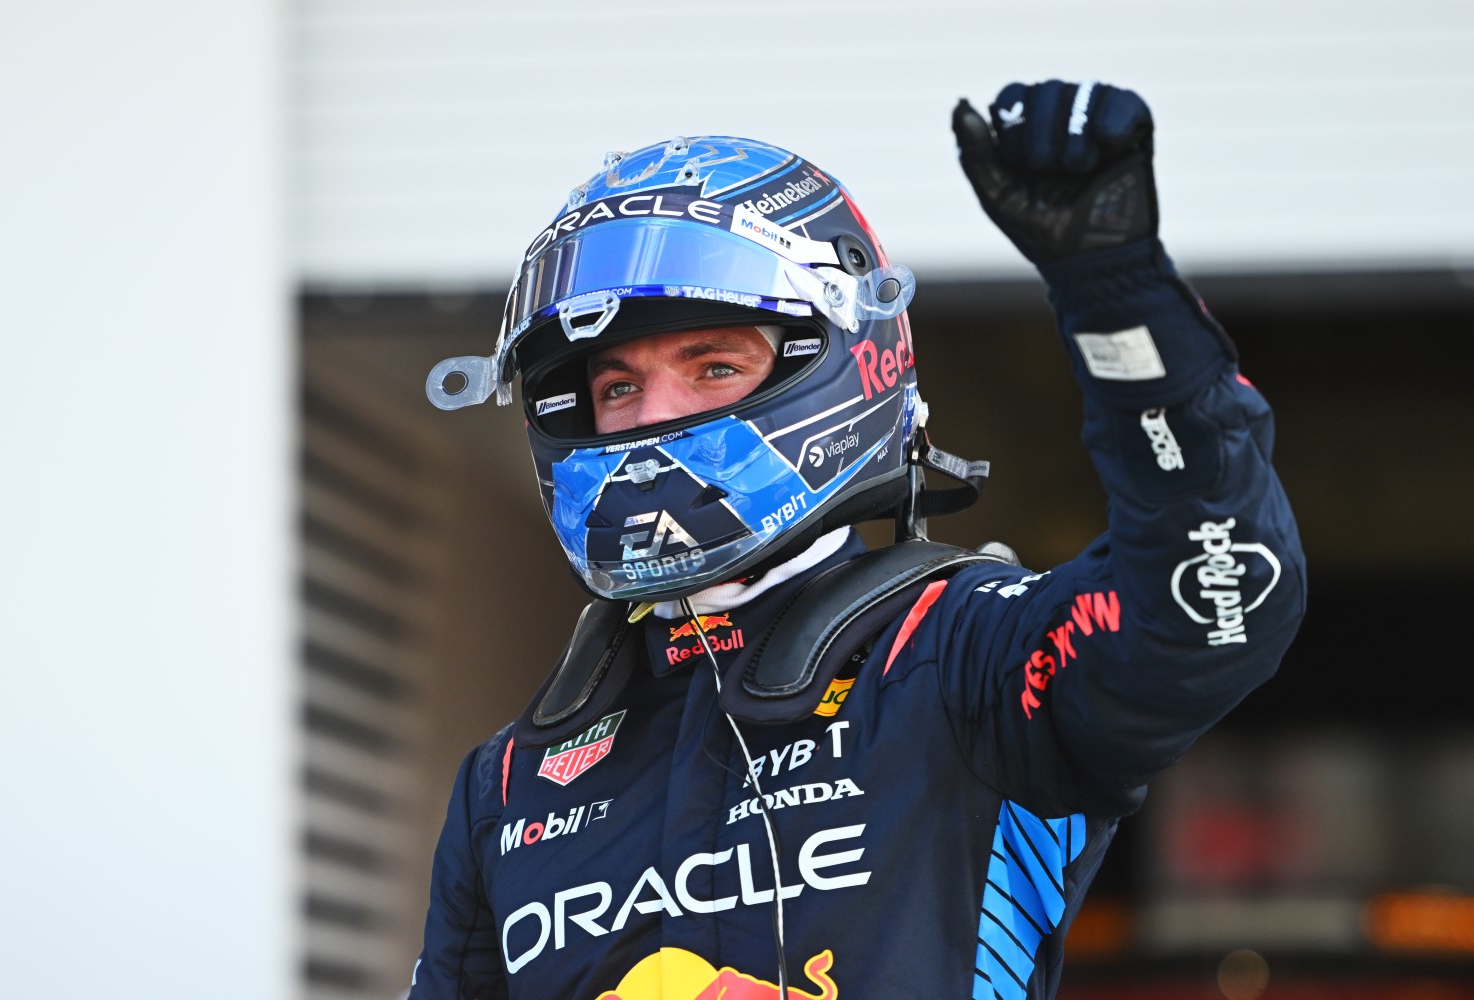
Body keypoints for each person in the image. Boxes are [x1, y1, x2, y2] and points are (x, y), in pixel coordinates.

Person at [412, 80, 1306, 999]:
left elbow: (1218, 601)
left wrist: (1118, 297)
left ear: (842, 366)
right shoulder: (512, 781)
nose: (655, 418)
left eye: (714, 366)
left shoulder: (965, 659)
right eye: (617, 388)